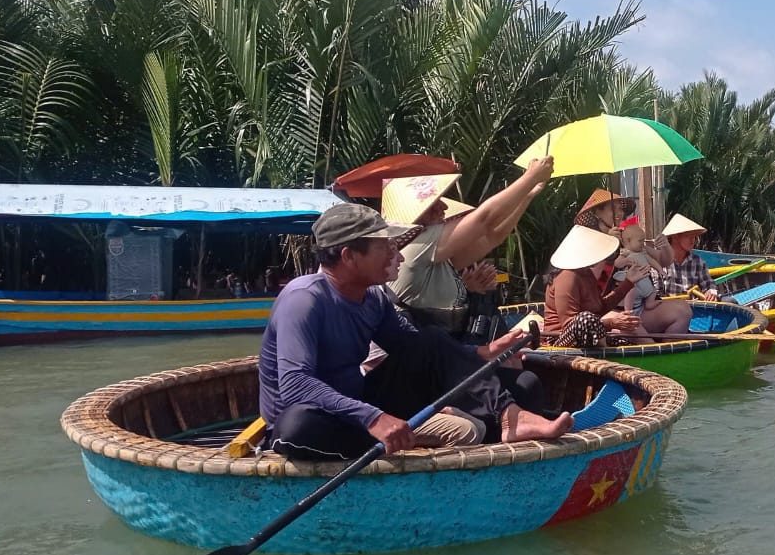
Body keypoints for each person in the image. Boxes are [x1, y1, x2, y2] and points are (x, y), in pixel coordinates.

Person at [259, 204, 570, 462]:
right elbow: (295, 385)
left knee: (503, 374)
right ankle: (396, 440)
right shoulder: (304, 299)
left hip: (358, 406)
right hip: (314, 419)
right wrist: (373, 418)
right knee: (298, 427)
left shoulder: (374, 298)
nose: (398, 255)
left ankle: (508, 417)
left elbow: (420, 350)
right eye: (384, 247)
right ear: (348, 256)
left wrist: (479, 354)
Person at [383, 158, 553, 339]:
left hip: (447, 348)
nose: (445, 207)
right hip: (432, 356)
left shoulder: (436, 255)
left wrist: (527, 195)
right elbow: (484, 220)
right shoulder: (417, 246)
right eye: (434, 203)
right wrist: (530, 177)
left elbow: (492, 236)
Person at [543, 225, 642, 347]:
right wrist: (611, 323)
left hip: (588, 336)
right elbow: (571, 323)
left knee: (626, 342)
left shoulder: (586, 274)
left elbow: (599, 308)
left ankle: (607, 350)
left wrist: (628, 282)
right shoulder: (567, 276)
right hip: (560, 341)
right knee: (586, 319)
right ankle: (604, 352)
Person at [658, 214, 721, 301]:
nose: (693, 240)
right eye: (688, 236)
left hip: (695, 309)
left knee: (730, 301)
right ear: (675, 237)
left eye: (694, 237)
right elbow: (656, 296)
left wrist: (711, 292)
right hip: (668, 310)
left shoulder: (698, 262)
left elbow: (709, 284)